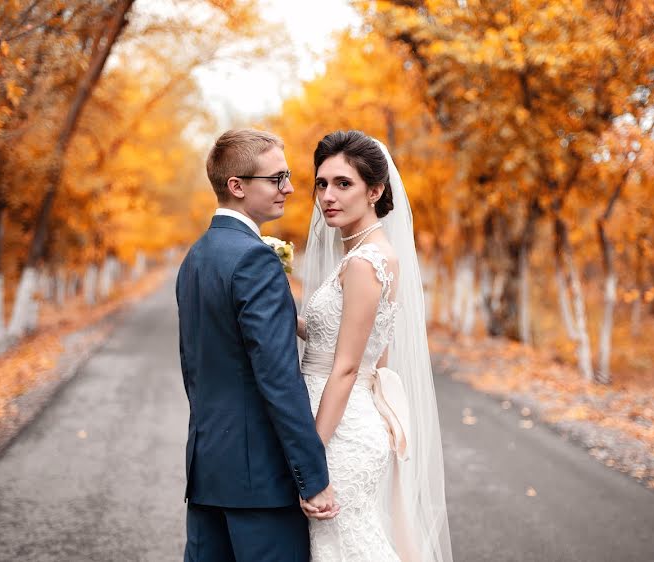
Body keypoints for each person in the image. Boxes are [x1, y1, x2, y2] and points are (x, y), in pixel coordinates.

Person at [176, 128, 336, 562]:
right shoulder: (254, 259)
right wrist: (313, 477)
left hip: (208, 469)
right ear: (237, 186)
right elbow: (279, 377)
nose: (289, 187)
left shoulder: (196, 257)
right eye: (277, 178)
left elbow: (196, 369)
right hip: (260, 483)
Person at [299, 130, 453, 561]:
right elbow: (362, 348)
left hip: (340, 433)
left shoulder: (366, 263)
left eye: (343, 184)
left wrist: (310, 460)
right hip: (342, 420)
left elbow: (347, 368)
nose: (328, 195)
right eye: (322, 183)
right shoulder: (366, 255)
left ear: (376, 190)